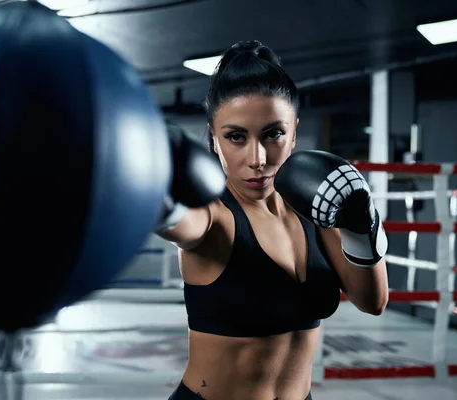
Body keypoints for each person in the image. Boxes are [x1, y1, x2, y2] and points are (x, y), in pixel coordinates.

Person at [156, 40, 389, 400]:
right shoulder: (213, 216)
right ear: (215, 140)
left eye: (273, 134)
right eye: (235, 137)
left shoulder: (315, 208)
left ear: (294, 131)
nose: (258, 158)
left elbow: (373, 302)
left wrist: (361, 225)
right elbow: (180, 223)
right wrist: (153, 188)